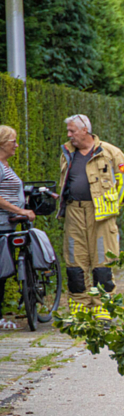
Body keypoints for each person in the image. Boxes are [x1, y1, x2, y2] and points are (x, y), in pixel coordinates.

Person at [58, 114, 124, 318]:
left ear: (85, 130)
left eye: (72, 131)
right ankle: (80, 308)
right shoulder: (67, 152)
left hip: (101, 215)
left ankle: (102, 307)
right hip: (74, 212)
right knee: (75, 261)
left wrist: (115, 206)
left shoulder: (110, 152)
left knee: (102, 261)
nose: (69, 135)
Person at [0, 126, 35, 329]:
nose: (17, 145)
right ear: (3, 142)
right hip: (2, 224)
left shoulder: (6, 164)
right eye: (13, 141)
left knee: (3, 270)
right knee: (1, 271)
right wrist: (19, 210)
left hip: (8, 224)